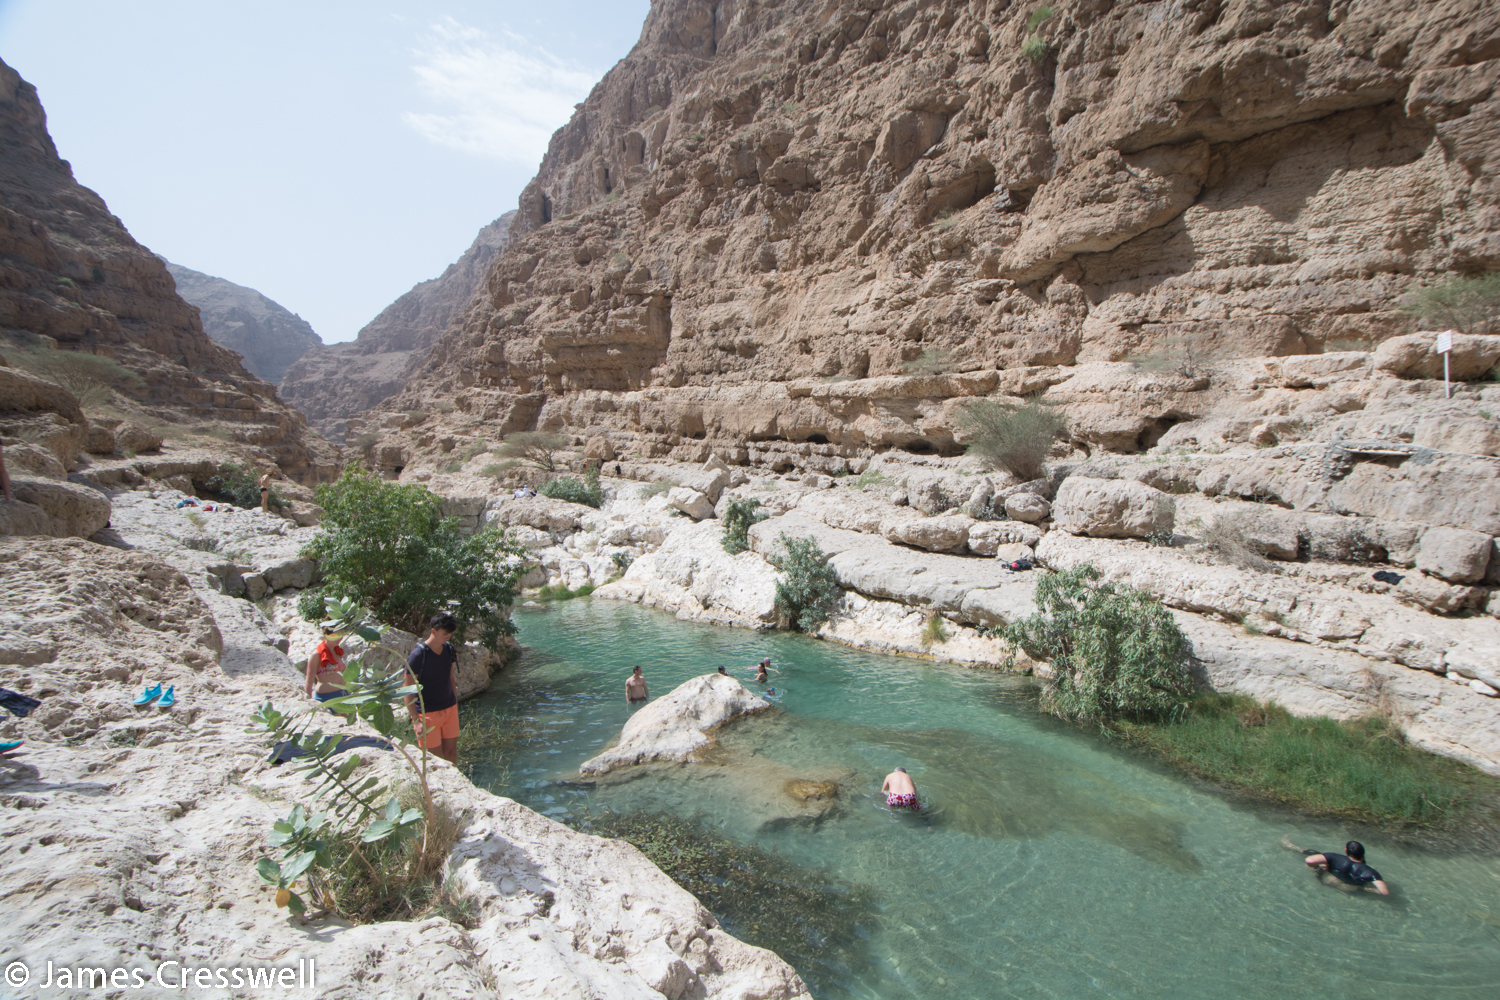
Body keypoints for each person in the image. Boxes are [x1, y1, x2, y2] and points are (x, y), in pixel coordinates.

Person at [405, 613, 461, 765]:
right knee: (434, 761)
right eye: (444, 634)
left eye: (450, 634)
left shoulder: (448, 649)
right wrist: (416, 721)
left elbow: (450, 678)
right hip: (428, 714)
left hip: (449, 710)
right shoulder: (418, 655)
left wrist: (454, 704)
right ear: (433, 631)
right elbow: (407, 690)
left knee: (451, 755)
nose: (448, 637)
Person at [1301, 840, 1390, 895]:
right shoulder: (1370, 872)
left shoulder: (1335, 858)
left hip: (1328, 881)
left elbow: (1309, 861)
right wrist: (1364, 889)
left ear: (1346, 851)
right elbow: (1384, 892)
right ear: (1362, 855)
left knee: (1315, 854)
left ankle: (1291, 846)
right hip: (1350, 889)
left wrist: (1318, 867)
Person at [304, 626, 349, 712]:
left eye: (341, 635)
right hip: (327, 698)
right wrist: (308, 702)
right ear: (326, 635)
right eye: (335, 636)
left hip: (344, 694)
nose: (339, 639)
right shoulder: (317, 655)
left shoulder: (337, 651)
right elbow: (309, 681)